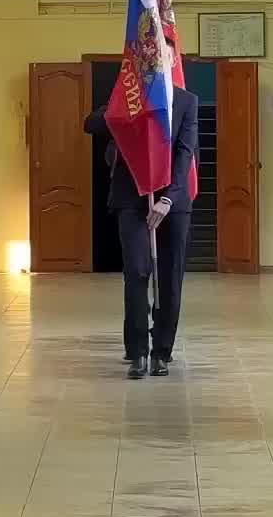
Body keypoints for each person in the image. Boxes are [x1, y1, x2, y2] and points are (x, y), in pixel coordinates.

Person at [83, 82, 201, 380]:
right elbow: (91, 124)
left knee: (170, 278)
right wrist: (125, 109)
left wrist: (168, 199)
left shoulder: (187, 101)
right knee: (136, 272)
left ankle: (161, 350)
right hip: (131, 197)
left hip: (172, 201)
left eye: (163, 57)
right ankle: (138, 351)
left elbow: (185, 152)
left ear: (171, 61)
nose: (156, 61)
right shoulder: (128, 94)